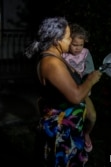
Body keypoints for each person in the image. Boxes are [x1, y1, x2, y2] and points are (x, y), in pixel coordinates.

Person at [25, 17, 102, 167]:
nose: (70, 39)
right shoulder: (51, 63)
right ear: (56, 40)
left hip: (69, 128)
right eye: (67, 37)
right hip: (61, 132)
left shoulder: (56, 58)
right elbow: (75, 96)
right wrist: (90, 80)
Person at [62, 23, 96, 153]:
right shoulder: (63, 54)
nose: (78, 48)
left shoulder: (86, 53)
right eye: (75, 45)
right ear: (69, 42)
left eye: (81, 45)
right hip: (67, 91)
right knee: (71, 119)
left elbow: (90, 71)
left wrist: (87, 79)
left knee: (91, 116)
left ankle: (86, 133)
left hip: (83, 91)